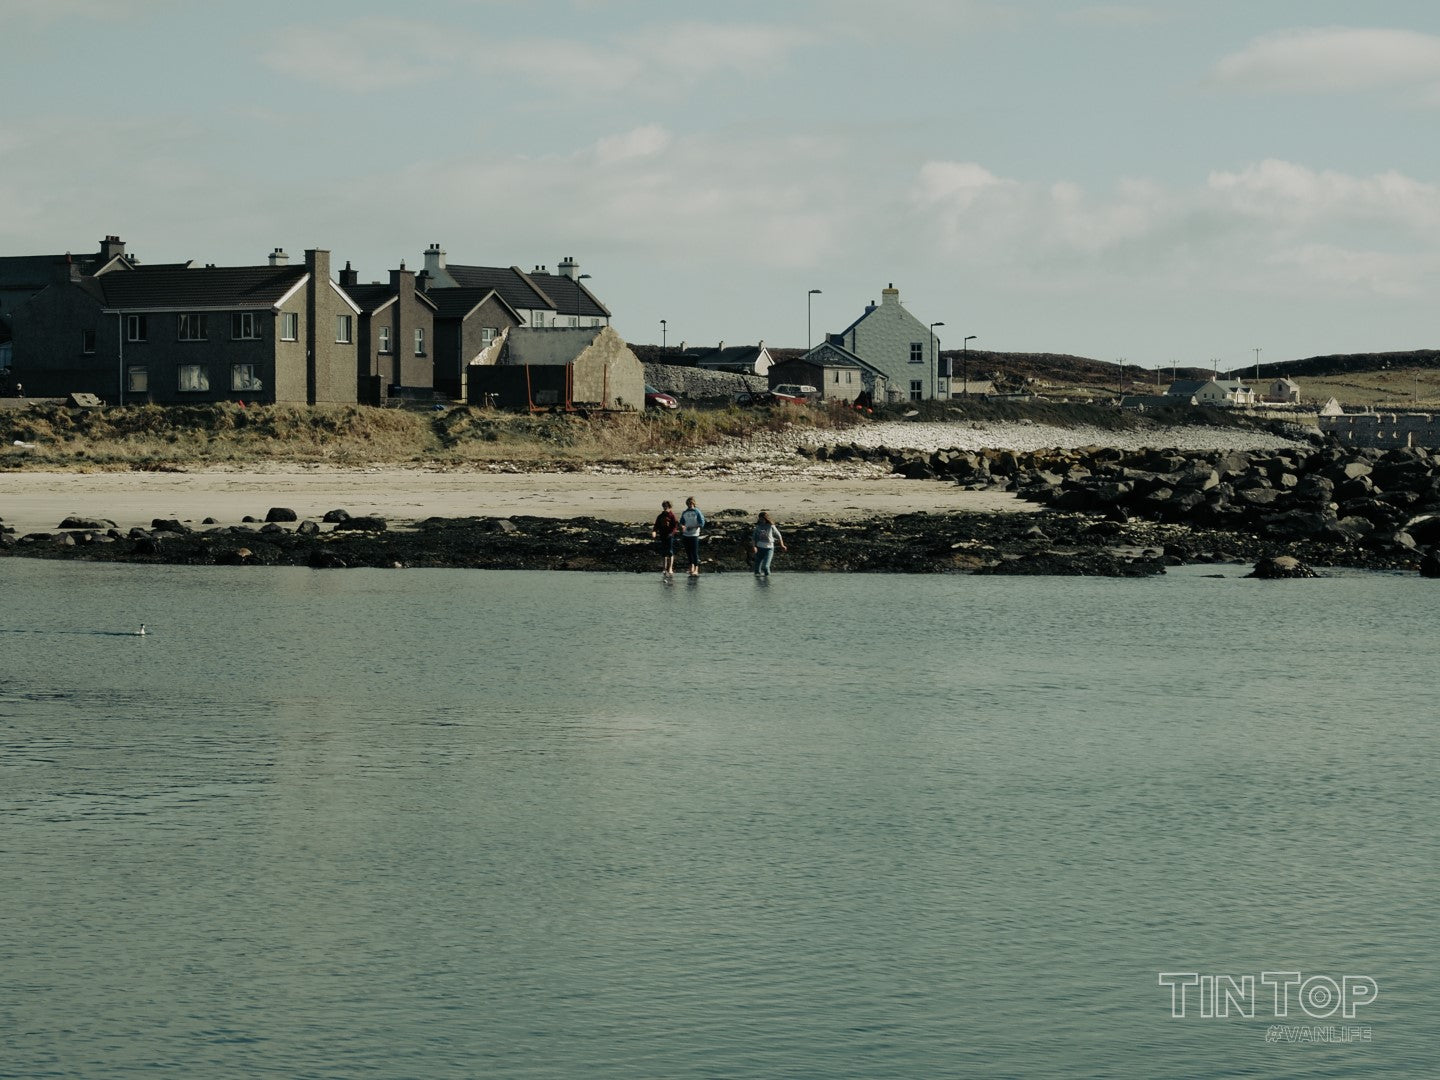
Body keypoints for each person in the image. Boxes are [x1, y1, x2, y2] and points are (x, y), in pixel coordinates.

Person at [750, 510, 787, 577]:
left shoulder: (771, 526)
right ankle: (758, 584)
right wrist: (754, 547)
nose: (761, 520)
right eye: (760, 519)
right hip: (759, 548)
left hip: (769, 549)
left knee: (765, 567)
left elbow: (779, 535)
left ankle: (768, 581)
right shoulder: (758, 526)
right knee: (756, 569)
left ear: (766, 518)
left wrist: (782, 545)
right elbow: (754, 538)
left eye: (762, 519)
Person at [651, 499, 680, 577]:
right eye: (664, 506)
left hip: (670, 535)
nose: (665, 508)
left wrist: (672, 533)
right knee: (664, 552)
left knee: (670, 551)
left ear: (669, 507)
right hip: (662, 535)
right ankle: (664, 568)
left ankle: (670, 568)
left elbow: (675, 526)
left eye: (666, 506)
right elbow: (656, 525)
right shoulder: (660, 516)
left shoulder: (672, 515)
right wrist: (654, 532)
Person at [678, 496, 705, 576]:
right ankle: (691, 567)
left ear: (693, 503)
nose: (690, 505)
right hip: (686, 534)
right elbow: (681, 522)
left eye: (691, 503)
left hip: (694, 534)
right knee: (688, 552)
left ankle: (696, 569)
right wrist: (682, 526)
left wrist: (693, 527)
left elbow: (702, 523)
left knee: (694, 552)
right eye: (688, 503)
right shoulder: (685, 512)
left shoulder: (697, 512)